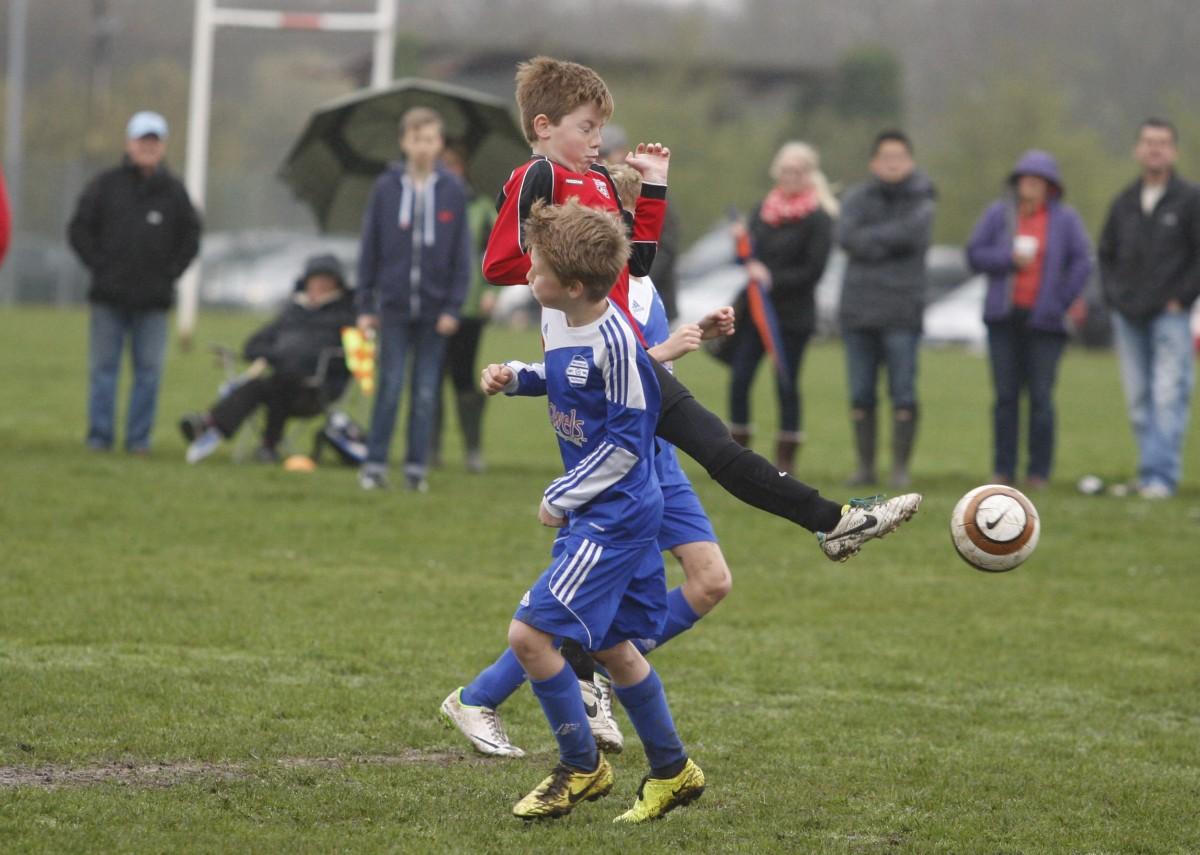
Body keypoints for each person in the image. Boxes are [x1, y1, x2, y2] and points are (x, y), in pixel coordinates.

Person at [482, 56, 921, 564]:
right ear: (543, 126)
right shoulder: (538, 174)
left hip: (629, 352)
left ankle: (834, 521)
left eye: (600, 128)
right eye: (587, 128)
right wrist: (564, 276)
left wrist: (654, 188)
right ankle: (559, 629)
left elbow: (637, 261)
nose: (598, 140)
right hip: (591, 360)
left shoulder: (600, 180)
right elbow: (499, 264)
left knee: (716, 449)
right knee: (619, 501)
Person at [441, 164, 733, 760]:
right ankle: (512, 708)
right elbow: (593, 373)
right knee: (571, 629)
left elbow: (621, 371)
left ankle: (623, 746)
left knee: (697, 589)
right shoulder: (579, 295)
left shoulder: (633, 288)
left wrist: (683, 339)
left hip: (646, 462)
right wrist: (521, 376)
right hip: (622, 473)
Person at [477, 198, 705, 822]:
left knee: (529, 635)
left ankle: (581, 767)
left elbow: (629, 448)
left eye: (538, 267)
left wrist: (560, 496)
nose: (527, 273)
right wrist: (518, 377)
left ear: (573, 285)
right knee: (613, 646)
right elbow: (567, 378)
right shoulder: (563, 322)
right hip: (607, 509)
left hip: (617, 512)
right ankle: (673, 771)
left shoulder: (620, 346)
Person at [67, 110, 202, 454]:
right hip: (108, 297)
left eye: (154, 141)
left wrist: (169, 272)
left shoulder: (174, 192)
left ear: (163, 146)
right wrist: (99, 265)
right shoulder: (105, 185)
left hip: (153, 301)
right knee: (103, 371)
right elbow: (79, 229)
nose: (148, 147)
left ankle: (138, 440)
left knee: (148, 373)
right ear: (129, 143)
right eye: (143, 140)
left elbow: (191, 237)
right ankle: (100, 437)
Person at [356, 107, 470, 492]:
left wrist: (454, 306)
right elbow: (369, 248)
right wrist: (365, 305)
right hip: (392, 307)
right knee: (388, 388)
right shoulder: (386, 188)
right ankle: (374, 464)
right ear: (404, 142)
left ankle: (416, 468)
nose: (424, 147)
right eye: (417, 139)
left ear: (440, 144)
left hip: (435, 311)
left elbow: (461, 255)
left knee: (425, 393)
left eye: (431, 139)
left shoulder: (453, 191)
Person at [966, 151, 1093, 488]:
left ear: (1051, 186)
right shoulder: (998, 215)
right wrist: (1007, 259)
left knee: (1041, 399)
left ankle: (1039, 472)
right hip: (1003, 319)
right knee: (1005, 398)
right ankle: (1003, 469)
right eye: (1025, 179)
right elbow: (974, 254)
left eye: (1038, 180)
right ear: (1017, 182)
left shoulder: (1065, 220)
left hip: (1047, 323)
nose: (1031, 185)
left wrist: (1061, 300)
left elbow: (1082, 261)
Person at [1098, 118, 1200, 499]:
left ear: (1173, 151)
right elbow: (1105, 254)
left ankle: (1162, 477)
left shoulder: (1190, 199)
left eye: (1162, 142)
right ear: (1137, 150)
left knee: (1168, 393)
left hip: (1170, 314)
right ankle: (1149, 471)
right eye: (1148, 142)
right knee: (1139, 399)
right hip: (1129, 315)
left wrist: (1183, 297)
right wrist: (1114, 297)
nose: (1155, 148)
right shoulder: (1124, 201)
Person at [179, 254, 356, 464]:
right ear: (306, 281)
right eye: (315, 279)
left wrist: (291, 359)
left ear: (337, 283)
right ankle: (218, 428)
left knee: (277, 382)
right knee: (263, 385)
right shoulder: (293, 311)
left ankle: (220, 428)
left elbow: (349, 357)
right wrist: (277, 356)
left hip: (319, 388)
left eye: (326, 280)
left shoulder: (346, 316)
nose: (320, 285)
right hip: (282, 380)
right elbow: (253, 344)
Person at [836, 130, 936, 489]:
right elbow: (847, 237)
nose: (892, 163)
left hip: (901, 310)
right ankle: (865, 467)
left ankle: (899, 468)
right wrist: (888, 240)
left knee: (903, 392)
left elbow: (913, 235)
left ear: (910, 161)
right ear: (874, 162)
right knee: (861, 393)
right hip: (858, 310)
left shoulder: (923, 199)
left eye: (899, 156)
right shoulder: (857, 197)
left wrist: (872, 240)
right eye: (886, 156)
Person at [728, 141, 836, 473]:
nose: (790, 176)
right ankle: (736, 455)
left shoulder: (819, 218)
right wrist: (740, 246)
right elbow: (746, 257)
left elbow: (813, 270)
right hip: (754, 313)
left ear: (809, 175)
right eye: (785, 170)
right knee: (740, 378)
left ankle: (785, 458)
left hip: (791, 316)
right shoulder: (764, 208)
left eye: (797, 171)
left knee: (786, 384)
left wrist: (771, 276)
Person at [427, 143, 498, 473]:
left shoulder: (481, 208)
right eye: (444, 164)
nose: (449, 170)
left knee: (463, 376)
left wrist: (491, 291)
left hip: (469, 306)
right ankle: (430, 448)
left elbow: (497, 252)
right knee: (430, 377)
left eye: (454, 164)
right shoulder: (427, 204)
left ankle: (472, 448)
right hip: (432, 304)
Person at [600, 123, 681, 321]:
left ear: (622, 152)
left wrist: (636, 283)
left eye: (605, 153)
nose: (600, 159)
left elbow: (666, 247)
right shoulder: (601, 186)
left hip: (653, 294)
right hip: (615, 298)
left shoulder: (647, 187)